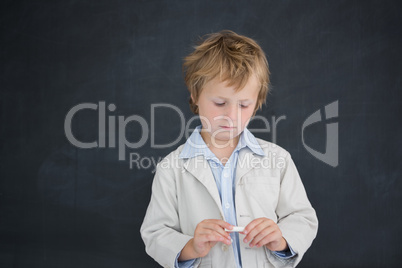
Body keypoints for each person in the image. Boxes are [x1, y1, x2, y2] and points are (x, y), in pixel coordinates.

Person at [140, 30, 318, 268]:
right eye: (220, 103)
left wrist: (282, 240)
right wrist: (191, 246)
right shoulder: (171, 168)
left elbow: (302, 218)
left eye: (244, 105)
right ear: (195, 95)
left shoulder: (278, 160)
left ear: (256, 104)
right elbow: (155, 233)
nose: (231, 116)